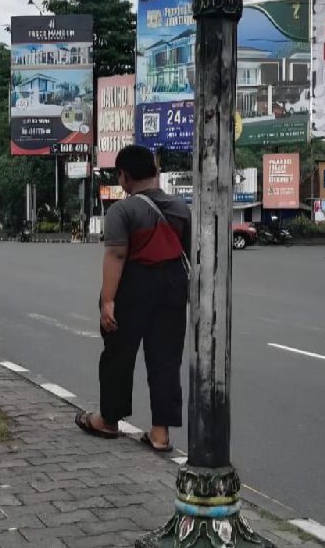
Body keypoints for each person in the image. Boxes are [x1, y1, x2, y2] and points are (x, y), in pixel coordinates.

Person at [75, 145, 191, 453]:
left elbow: (116, 255)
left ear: (123, 177)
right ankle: (160, 433)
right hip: (173, 289)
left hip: (133, 288)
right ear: (156, 171)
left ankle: (108, 420)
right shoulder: (181, 208)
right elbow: (188, 253)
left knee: (118, 354)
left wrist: (108, 301)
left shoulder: (122, 211)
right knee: (166, 360)